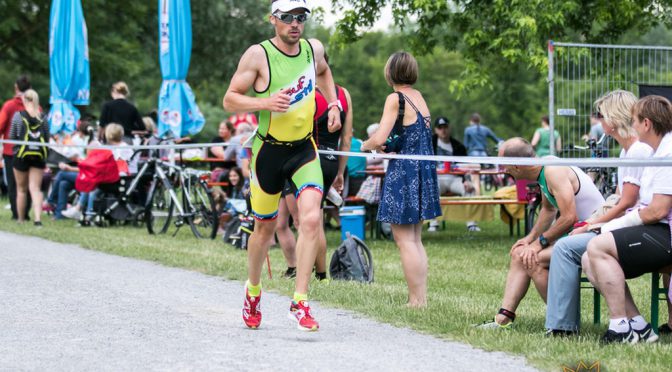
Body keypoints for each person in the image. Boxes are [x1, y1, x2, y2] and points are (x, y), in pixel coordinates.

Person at [222, 0, 341, 331]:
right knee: (265, 228)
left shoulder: (312, 49)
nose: (295, 23)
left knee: (312, 217)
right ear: (273, 20)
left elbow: (325, 72)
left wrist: (332, 103)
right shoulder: (258, 55)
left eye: (301, 17)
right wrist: (264, 102)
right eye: (288, 17)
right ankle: (253, 291)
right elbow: (229, 98)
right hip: (268, 153)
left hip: (304, 149)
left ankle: (300, 301)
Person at [545, 90, 653, 337]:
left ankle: (562, 326)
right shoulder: (627, 152)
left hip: (637, 227)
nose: (599, 119)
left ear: (614, 119)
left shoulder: (637, 151)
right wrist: (595, 221)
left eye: (601, 115)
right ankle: (637, 324)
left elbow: (626, 203)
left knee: (565, 247)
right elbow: (618, 199)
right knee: (580, 253)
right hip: (627, 223)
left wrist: (592, 225)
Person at [477, 137, 603, 328]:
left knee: (531, 258)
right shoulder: (544, 169)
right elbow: (548, 210)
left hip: (596, 234)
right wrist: (529, 239)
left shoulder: (553, 171)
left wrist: (538, 244)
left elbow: (569, 217)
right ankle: (503, 318)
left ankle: (564, 324)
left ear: (518, 166)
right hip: (578, 234)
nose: (505, 171)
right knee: (521, 252)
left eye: (506, 166)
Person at [584, 95, 672, 344]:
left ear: (646, 123)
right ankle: (637, 326)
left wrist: (613, 225)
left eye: (634, 120)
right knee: (588, 256)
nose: (631, 125)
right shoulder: (658, 151)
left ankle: (620, 328)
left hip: (666, 233)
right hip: (657, 228)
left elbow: (657, 211)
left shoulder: (667, 154)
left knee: (597, 246)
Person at [361, 51, 441, 307]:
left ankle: (416, 301)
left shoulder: (395, 98)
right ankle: (420, 298)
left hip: (404, 172)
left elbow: (379, 137)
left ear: (390, 72)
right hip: (422, 171)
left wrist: (366, 145)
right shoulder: (418, 97)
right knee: (415, 239)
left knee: (404, 239)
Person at [428, 116, 479, 232]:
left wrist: (467, 180)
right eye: (440, 127)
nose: (443, 130)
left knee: (470, 189)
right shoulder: (429, 144)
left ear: (449, 128)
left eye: (445, 127)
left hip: (455, 179)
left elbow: (465, 166)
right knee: (430, 188)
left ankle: (472, 224)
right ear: (436, 130)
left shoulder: (458, 146)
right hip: (437, 178)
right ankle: (433, 224)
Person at [9, 89, 48, 226]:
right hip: (38, 157)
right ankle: (37, 219)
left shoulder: (18, 116)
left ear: (24, 100)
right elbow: (47, 138)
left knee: (21, 189)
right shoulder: (42, 117)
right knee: (35, 189)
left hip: (21, 156)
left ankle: (21, 219)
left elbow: (12, 137)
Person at [0, 75, 31, 220]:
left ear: (16, 87)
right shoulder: (35, 105)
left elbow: (1, 124)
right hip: (32, 149)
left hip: (11, 151)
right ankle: (26, 212)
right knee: (29, 182)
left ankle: (16, 213)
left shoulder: (9, 105)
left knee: (14, 183)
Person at [463, 113, 502, 196]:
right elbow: (497, 140)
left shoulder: (468, 130)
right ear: (479, 121)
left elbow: (465, 145)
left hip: (473, 156)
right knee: (484, 175)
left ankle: (477, 197)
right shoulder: (486, 129)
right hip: (484, 157)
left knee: (475, 178)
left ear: (471, 121)